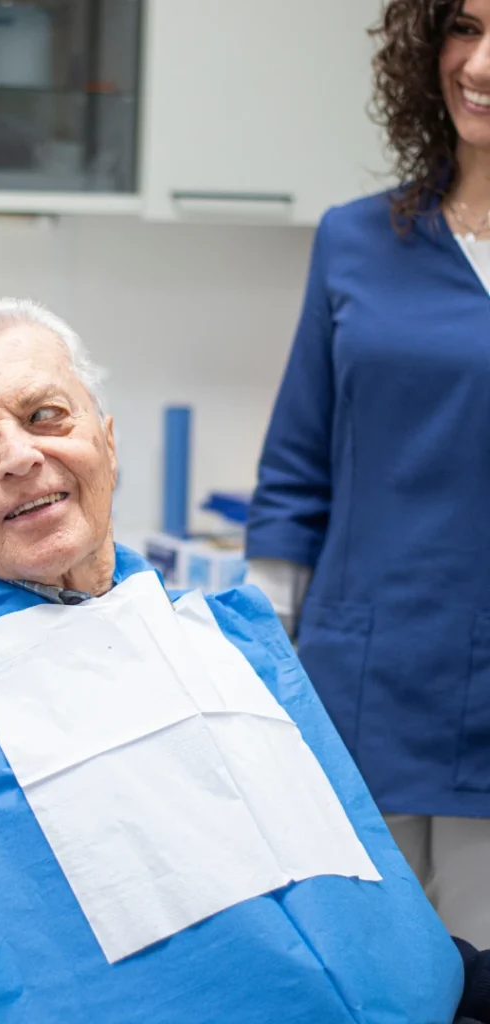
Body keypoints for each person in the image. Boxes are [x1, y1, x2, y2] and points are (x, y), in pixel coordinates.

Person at [0, 297, 488, 1024]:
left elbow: (366, 915)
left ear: (107, 441)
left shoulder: (228, 640)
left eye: (45, 416)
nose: (19, 456)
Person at [246, 0, 490, 949]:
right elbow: (299, 462)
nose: (479, 65)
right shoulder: (356, 239)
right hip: (362, 679)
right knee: (367, 984)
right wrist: (263, 655)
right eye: (464, 29)